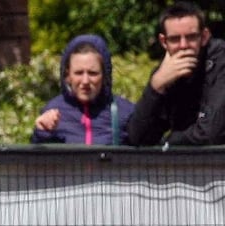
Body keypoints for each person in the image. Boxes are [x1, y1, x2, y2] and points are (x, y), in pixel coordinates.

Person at [127, 2, 225, 146]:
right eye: (175, 39)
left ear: (204, 37)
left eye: (191, 37)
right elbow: (138, 138)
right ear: (164, 42)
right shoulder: (166, 73)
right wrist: (155, 88)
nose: (183, 45)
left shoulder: (220, 61)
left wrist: (168, 142)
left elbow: (210, 134)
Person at [31, 34, 135, 145]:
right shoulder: (52, 112)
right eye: (78, 73)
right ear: (67, 76)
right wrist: (42, 132)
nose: (85, 81)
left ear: (105, 75)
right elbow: (40, 160)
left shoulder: (125, 112)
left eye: (93, 73)